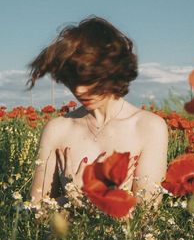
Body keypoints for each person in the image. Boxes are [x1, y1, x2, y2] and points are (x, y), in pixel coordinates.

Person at [28, 16, 168, 207]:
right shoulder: (57, 129)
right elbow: (34, 213)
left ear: (113, 70)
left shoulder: (148, 127)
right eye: (72, 80)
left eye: (89, 79)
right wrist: (72, 199)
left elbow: (147, 218)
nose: (79, 90)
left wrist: (91, 200)